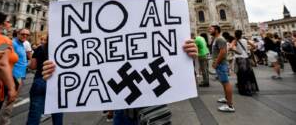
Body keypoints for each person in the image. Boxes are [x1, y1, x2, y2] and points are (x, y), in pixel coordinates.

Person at [42, 39, 198, 124]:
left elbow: (177, 71)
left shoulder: (154, 45)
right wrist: (58, 72)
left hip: (154, 111)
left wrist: (187, 56)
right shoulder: (111, 48)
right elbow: (89, 69)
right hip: (122, 113)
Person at [26, 35, 63, 125]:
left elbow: (33, 66)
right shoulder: (63, 48)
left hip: (40, 80)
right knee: (57, 113)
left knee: (34, 114)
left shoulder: (40, 48)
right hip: (57, 83)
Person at [0, 28, 31, 124]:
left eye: (27, 35)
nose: (25, 36)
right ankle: (3, 122)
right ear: (17, 33)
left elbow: (23, 60)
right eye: (22, 34)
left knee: (10, 101)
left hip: (21, 76)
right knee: (9, 102)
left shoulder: (22, 44)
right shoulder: (10, 42)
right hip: (13, 77)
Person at [0, 12, 18, 123]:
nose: (10, 24)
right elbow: (1, 64)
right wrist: (11, 88)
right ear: (1, 25)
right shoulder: (2, 39)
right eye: (8, 22)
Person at [209, 25, 235, 112]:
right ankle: (226, 98)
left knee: (226, 82)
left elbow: (223, 52)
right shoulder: (216, 39)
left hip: (221, 64)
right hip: (219, 64)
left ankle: (230, 106)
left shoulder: (220, 39)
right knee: (223, 82)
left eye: (211, 29)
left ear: (216, 30)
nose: (209, 30)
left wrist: (216, 63)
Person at [229, 30, 259, 96]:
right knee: (248, 74)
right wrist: (248, 50)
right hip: (246, 58)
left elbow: (230, 48)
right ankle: (251, 89)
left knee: (241, 74)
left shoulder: (235, 40)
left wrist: (237, 52)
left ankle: (244, 90)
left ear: (235, 35)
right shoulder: (245, 40)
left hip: (240, 59)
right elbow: (254, 46)